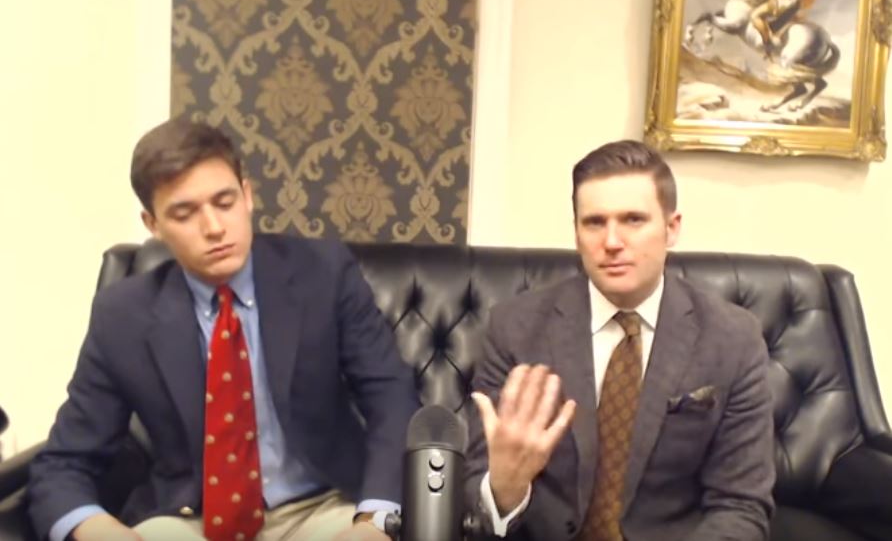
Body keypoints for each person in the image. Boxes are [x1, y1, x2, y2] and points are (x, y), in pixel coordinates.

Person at [28, 118, 420, 541]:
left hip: (321, 508)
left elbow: (391, 398)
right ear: (153, 224)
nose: (214, 228)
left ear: (247, 196)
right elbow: (64, 463)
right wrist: (97, 529)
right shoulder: (123, 314)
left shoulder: (322, 274)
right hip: (189, 519)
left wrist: (375, 520)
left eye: (224, 202)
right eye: (185, 214)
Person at [466, 140, 775, 541]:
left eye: (633, 220)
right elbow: (476, 488)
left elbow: (740, 506)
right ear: (576, 232)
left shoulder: (732, 337)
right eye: (594, 222)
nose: (611, 241)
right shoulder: (515, 328)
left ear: (671, 228)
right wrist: (505, 489)